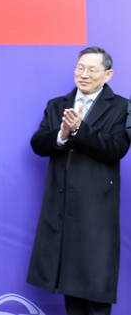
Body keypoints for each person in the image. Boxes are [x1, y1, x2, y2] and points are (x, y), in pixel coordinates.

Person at [27, 47, 130, 315]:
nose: (83, 74)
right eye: (80, 68)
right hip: (61, 204)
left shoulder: (122, 106)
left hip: (96, 206)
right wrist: (61, 135)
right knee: (70, 284)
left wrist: (81, 130)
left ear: (108, 74)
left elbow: (116, 149)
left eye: (92, 70)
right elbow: (37, 144)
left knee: (96, 282)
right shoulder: (57, 104)